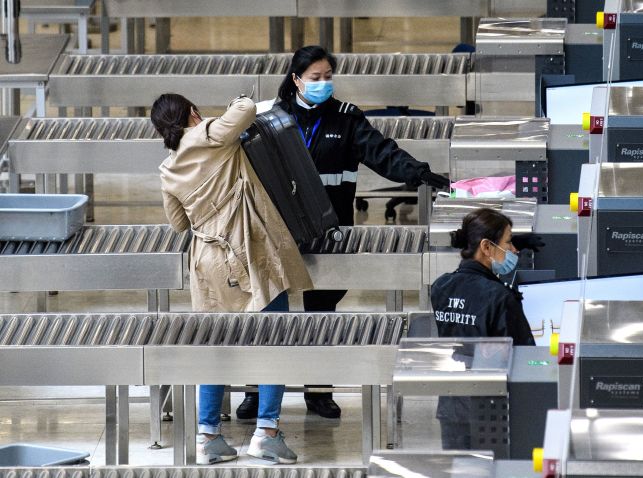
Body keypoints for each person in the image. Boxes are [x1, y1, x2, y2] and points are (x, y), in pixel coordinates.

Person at [237, 45, 451, 421]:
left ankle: (319, 391)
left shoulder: (346, 119)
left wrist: (418, 172)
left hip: (326, 231)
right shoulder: (270, 117)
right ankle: (257, 390)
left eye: (327, 77)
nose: (323, 84)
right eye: (315, 78)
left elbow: (382, 153)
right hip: (277, 232)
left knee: (322, 314)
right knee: (267, 314)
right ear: (296, 79)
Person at [153, 93, 313, 464]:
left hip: (208, 261)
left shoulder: (168, 167)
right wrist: (238, 99)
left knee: (216, 347)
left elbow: (178, 223)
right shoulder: (209, 134)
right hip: (249, 249)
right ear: (193, 113)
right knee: (274, 341)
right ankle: (267, 433)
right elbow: (245, 110)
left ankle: (208, 438)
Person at [429, 207, 536, 450]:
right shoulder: (499, 297)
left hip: (452, 403)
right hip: (492, 409)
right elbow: (525, 353)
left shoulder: (440, 286)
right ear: (487, 247)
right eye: (508, 243)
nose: (512, 250)